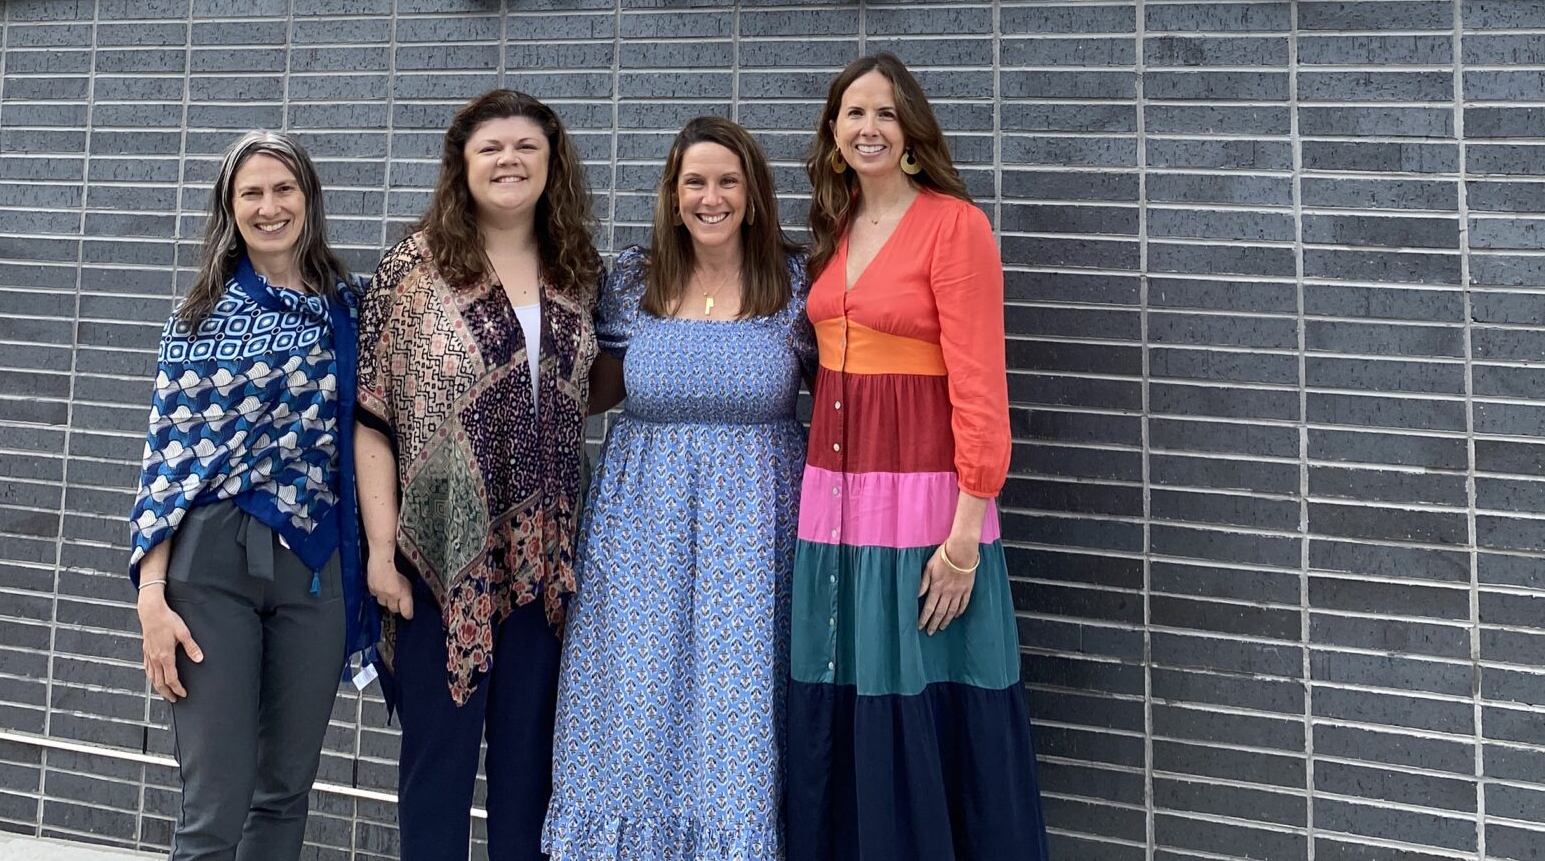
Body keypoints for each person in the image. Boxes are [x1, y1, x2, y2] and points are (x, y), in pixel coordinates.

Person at [785, 54, 1052, 861]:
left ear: (911, 133)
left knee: (920, 691)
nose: (869, 127)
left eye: (886, 114)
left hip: (924, 507)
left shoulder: (953, 225)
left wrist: (966, 537)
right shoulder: (831, 232)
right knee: (842, 684)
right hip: (832, 502)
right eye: (854, 113)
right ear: (833, 134)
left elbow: (980, 388)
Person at [545, 115, 812, 861]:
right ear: (671, 193)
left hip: (756, 530)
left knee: (738, 704)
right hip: (640, 525)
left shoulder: (796, 282)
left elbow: (841, 399)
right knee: (631, 695)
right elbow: (590, 389)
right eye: (694, 181)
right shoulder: (632, 277)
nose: (710, 196)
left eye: (728, 181)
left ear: (754, 194)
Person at [354, 88, 604, 861]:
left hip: (545, 566)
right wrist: (379, 549)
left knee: (531, 772)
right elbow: (372, 418)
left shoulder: (578, 270)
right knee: (440, 765)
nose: (509, 160)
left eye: (527, 147)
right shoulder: (413, 268)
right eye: (490, 148)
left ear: (552, 163)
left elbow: (592, 389)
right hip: (436, 556)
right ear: (461, 166)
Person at [127, 131, 374, 861]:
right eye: (252, 194)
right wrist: (151, 598)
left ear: (309, 199)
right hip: (212, 565)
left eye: (284, 189)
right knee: (214, 803)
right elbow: (166, 461)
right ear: (230, 211)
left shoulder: (351, 310)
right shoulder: (200, 317)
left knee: (285, 791)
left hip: (316, 561)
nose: (270, 207)